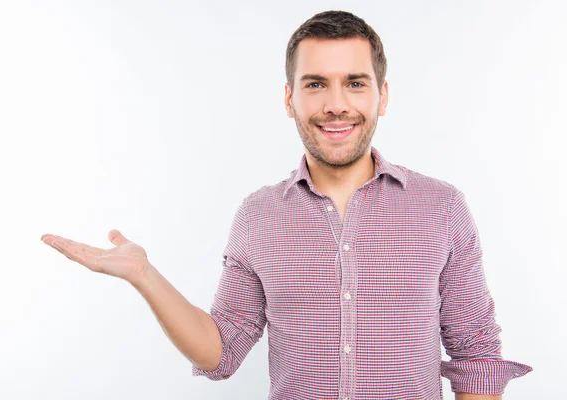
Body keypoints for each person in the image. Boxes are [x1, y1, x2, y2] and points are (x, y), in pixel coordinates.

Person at [40, 10, 533, 400]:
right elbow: (221, 354)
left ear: (382, 96)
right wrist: (144, 276)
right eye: (315, 84)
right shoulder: (259, 216)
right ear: (289, 98)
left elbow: (477, 357)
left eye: (355, 83)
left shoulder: (441, 208)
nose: (336, 104)